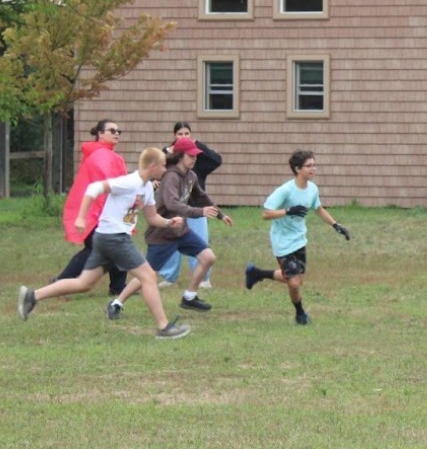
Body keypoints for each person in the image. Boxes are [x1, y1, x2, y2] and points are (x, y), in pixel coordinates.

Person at [17, 148, 191, 339]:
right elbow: (94, 188)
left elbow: (151, 217)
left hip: (106, 238)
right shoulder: (129, 182)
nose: (165, 170)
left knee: (84, 283)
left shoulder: (147, 187)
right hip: (114, 238)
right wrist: (81, 218)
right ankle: (164, 327)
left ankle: (32, 296)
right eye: (163, 165)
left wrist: (168, 222)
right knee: (148, 276)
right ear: (153, 165)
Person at [106, 136, 232, 319]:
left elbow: (202, 197)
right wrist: (199, 212)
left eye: (196, 155)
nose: (195, 158)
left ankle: (189, 296)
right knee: (148, 274)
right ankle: (116, 303)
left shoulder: (191, 176)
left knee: (208, 257)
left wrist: (221, 215)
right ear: (180, 156)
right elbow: (172, 204)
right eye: (191, 155)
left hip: (181, 231)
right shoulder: (170, 177)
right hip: (162, 233)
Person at [245, 150, 351, 325]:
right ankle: (300, 314)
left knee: (295, 279)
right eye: (309, 166)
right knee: (294, 282)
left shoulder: (312, 189)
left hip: (299, 240)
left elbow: (318, 208)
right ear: (297, 169)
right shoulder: (285, 190)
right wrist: (287, 211)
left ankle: (256, 273)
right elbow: (266, 214)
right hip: (282, 242)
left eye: (314, 165)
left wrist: (335, 225)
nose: (313, 169)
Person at [53, 119, 128, 297]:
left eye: (119, 131)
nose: (117, 133)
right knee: (97, 249)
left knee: (118, 245)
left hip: (105, 211)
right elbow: (109, 184)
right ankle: (60, 283)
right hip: (97, 213)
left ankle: (118, 287)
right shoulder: (100, 156)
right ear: (100, 134)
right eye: (112, 130)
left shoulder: (108, 155)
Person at [157, 122, 222, 289]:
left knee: (199, 241)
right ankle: (169, 277)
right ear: (174, 136)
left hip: (196, 208)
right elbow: (155, 167)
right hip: (173, 210)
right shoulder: (169, 158)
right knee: (170, 242)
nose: (184, 137)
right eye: (180, 134)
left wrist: (198, 145)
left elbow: (216, 160)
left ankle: (203, 278)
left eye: (187, 133)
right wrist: (167, 151)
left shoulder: (196, 159)